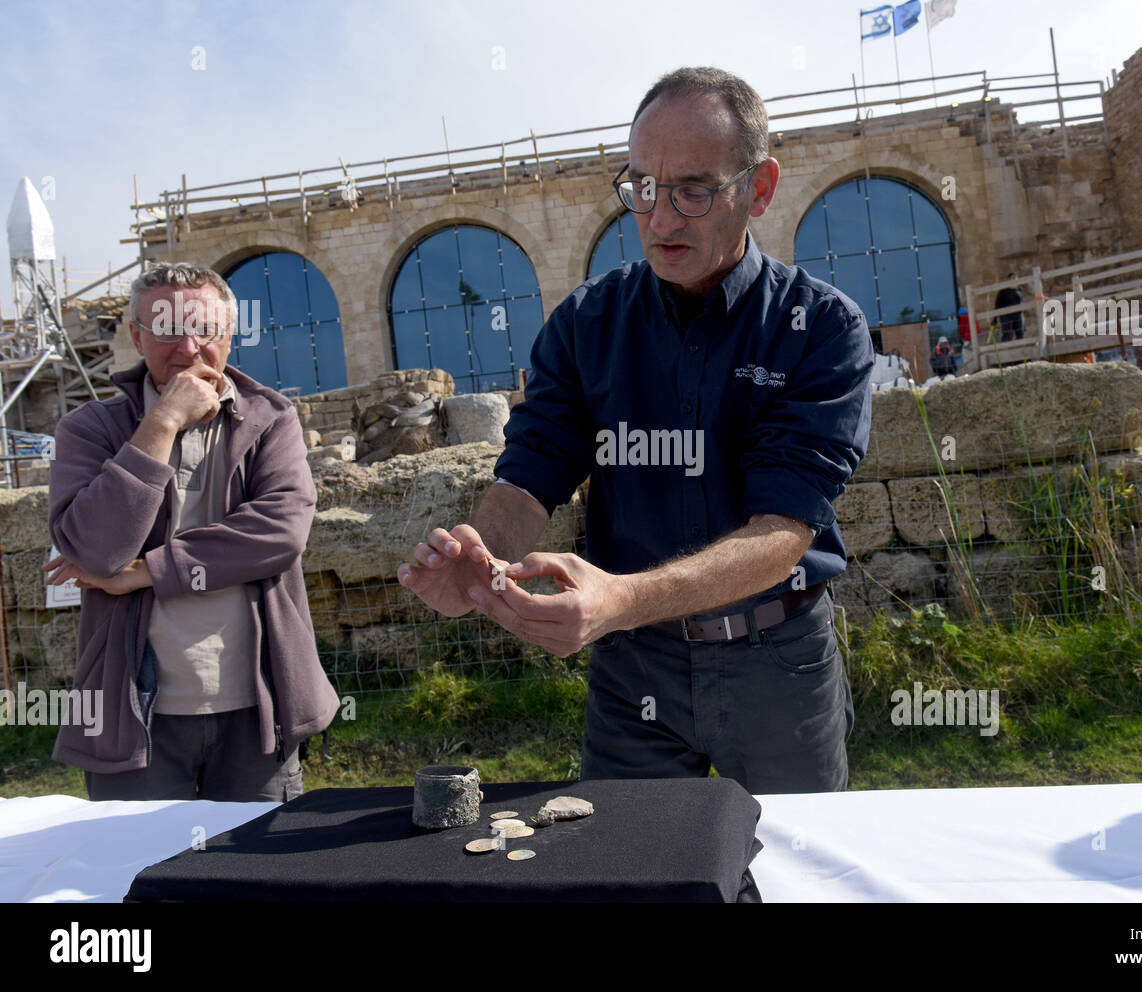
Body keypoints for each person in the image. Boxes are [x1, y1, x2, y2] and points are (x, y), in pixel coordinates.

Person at [398, 67, 873, 794]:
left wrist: (618, 601)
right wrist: (482, 558)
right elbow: (531, 474)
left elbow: (783, 531)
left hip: (774, 661)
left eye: (692, 189)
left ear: (761, 188)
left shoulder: (821, 328)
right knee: (628, 870)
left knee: (790, 871)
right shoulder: (587, 323)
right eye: (642, 188)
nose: (659, 219)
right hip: (634, 676)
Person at [44, 262, 338, 801]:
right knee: (142, 878)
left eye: (204, 329)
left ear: (228, 334)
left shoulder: (270, 419)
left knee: (259, 878)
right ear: (136, 336)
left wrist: (145, 573)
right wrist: (161, 424)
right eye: (166, 329)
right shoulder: (90, 429)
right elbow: (93, 548)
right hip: (134, 716)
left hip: (259, 708)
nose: (187, 347)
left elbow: (280, 533)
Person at [995, 274, 1024, 341]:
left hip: (1018, 315)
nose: (1014, 280)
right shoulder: (1002, 291)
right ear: (1008, 280)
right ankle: (1004, 350)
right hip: (1006, 316)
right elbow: (997, 305)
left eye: (1015, 278)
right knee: (1008, 335)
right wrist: (995, 318)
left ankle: (1020, 350)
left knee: (1020, 334)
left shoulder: (1019, 290)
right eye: (1012, 278)